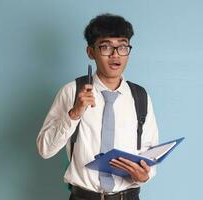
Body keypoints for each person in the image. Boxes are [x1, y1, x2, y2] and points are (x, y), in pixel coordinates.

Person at [36, 13, 159, 200]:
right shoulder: (72, 92)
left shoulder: (140, 96)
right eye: (106, 46)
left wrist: (145, 175)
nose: (115, 54)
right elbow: (45, 150)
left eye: (122, 46)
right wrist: (74, 113)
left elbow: (151, 151)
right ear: (91, 52)